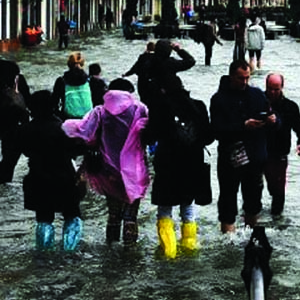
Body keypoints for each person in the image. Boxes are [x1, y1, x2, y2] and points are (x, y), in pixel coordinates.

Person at [62, 78, 149, 245]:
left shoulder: (99, 112)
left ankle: (111, 247)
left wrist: (63, 124)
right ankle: (129, 251)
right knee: (131, 215)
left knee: (113, 213)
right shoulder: (140, 109)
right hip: (135, 170)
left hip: (108, 170)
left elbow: (83, 131)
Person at [143, 76, 213, 258]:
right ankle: (190, 250)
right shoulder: (198, 106)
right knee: (188, 208)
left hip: (167, 165)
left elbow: (149, 137)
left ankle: (169, 254)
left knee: (165, 209)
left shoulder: (159, 108)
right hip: (193, 164)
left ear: (163, 89)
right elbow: (209, 137)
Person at [210, 60, 276, 233]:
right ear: (231, 76)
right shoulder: (219, 99)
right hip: (229, 158)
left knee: (253, 202)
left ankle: (250, 236)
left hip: (254, 157)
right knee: (227, 201)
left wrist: (272, 121)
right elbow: (216, 130)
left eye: (247, 78)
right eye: (240, 78)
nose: (244, 82)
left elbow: (271, 116)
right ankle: (228, 242)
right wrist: (243, 125)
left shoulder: (257, 95)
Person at [20, 90, 84, 251]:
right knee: (72, 215)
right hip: (65, 178)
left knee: (43, 218)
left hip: (37, 178)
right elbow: (77, 150)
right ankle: (70, 251)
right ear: (54, 106)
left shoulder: (26, 130)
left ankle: (43, 253)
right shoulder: (65, 128)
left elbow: (23, 150)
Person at [263, 73, 300, 217]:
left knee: (278, 191)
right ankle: (250, 223)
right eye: (270, 89)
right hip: (258, 152)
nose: (272, 92)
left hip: (279, 154)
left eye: (276, 89)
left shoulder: (290, 106)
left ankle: (277, 223)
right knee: (253, 190)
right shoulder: (258, 101)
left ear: (282, 87)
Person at [0, 60, 30, 183]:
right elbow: (27, 99)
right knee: (9, 157)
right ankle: (4, 178)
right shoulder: (19, 80)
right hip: (14, 124)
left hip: (6, 123)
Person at [144, 39, 196, 106]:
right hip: (171, 95)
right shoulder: (170, 63)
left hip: (153, 95)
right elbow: (191, 61)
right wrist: (179, 50)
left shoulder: (149, 61)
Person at [52, 52, 94, 120]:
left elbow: (54, 102)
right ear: (82, 64)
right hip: (87, 120)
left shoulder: (61, 81)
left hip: (68, 119)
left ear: (69, 64)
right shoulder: (89, 81)